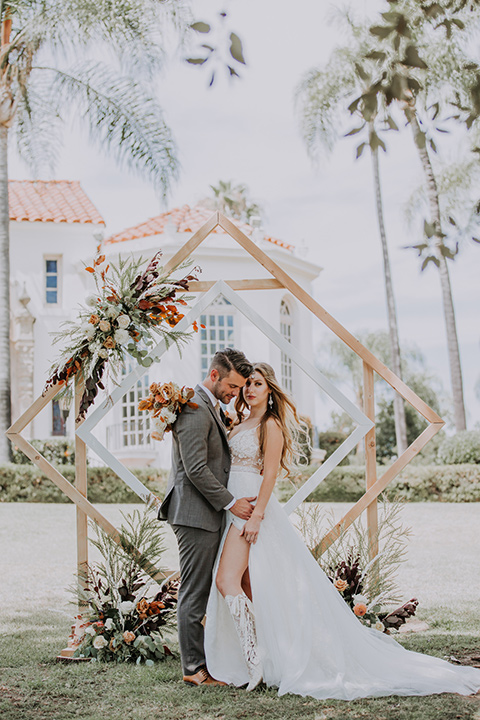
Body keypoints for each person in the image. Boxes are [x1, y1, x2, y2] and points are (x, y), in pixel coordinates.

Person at [204, 362, 480, 699]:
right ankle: (266, 653)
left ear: (270, 390)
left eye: (257, 384)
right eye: (247, 384)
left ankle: (253, 659)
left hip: (251, 510)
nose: (250, 389)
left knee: (225, 580)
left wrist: (258, 515)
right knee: (248, 584)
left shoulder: (271, 425)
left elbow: (271, 473)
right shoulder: (240, 422)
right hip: (235, 505)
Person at [159, 348, 255, 687]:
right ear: (214, 375)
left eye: (239, 388)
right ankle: (194, 670)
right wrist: (231, 503)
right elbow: (196, 469)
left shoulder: (210, 407)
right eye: (231, 386)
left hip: (205, 514)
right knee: (194, 591)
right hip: (195, 515)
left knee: (200, 589)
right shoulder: (194, 408)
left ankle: (207, 662)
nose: (235, 394)